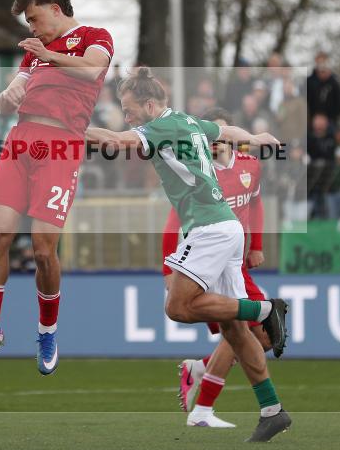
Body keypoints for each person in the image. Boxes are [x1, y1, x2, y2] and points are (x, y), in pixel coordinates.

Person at [86, 68, 291, 442]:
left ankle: (265, 310)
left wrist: (66, 127)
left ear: (150, 105)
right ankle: (272, 410)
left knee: (177, 308)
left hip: (210, 229)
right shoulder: (188, 121)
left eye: (129, 109)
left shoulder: (161, 127)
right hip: (227, 228)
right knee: (234, 330)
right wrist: (258, 137)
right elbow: (228, 133)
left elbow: (114, 139)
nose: (127, 115)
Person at [0, 0, 114, 376]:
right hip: (20, 141)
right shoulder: (34, 53)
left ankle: (47, 331)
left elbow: (91, 71)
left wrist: (47, 56)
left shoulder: (93, 36)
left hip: (61, 146)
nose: (31, 29)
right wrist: (6, 97)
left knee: (41, 248)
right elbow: (6, 103)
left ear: (55, 9)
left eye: (34, 19)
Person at [161, 107, 273, 428]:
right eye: (210, 136)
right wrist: (168, 271)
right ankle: (205, 408)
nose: (215, 141)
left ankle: (199, 375)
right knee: (244, 329)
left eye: (221, 135)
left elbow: (255, 202)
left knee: (260, 337)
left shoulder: (250, 166)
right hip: (206, 261)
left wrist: (258, 246)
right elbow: (172, 224)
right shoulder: (198, 172)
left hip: (235, 262)